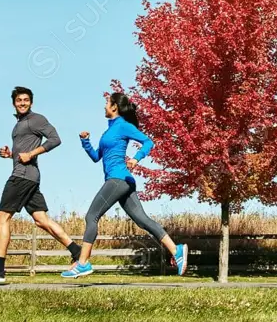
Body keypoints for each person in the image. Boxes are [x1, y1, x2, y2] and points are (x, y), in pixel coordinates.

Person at [61, 92, 188, 278]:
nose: (104, 105)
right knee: (142, 220)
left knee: (91, 216)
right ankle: (175, 250)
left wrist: (136, 159)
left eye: (107, 102)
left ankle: (83, 263)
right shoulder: (109, 130)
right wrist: (85, 142)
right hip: (122, 182)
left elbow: (148, 142)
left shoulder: (123, 126)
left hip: (118, 179)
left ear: (114, 107)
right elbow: (97, 157)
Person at [0, 86, 82, 283]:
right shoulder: (19, 124)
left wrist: (31, 154)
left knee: (2, 218)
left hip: (22, 176)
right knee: (41, 219)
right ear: (14, 103)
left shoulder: (36, 119)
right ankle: (76, 250)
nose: (23, 103)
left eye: (26, 100)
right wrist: (10, 154)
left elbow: (55, 139)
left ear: (31, 102)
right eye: (19, 100)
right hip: (30, 176)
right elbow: (24, 150)